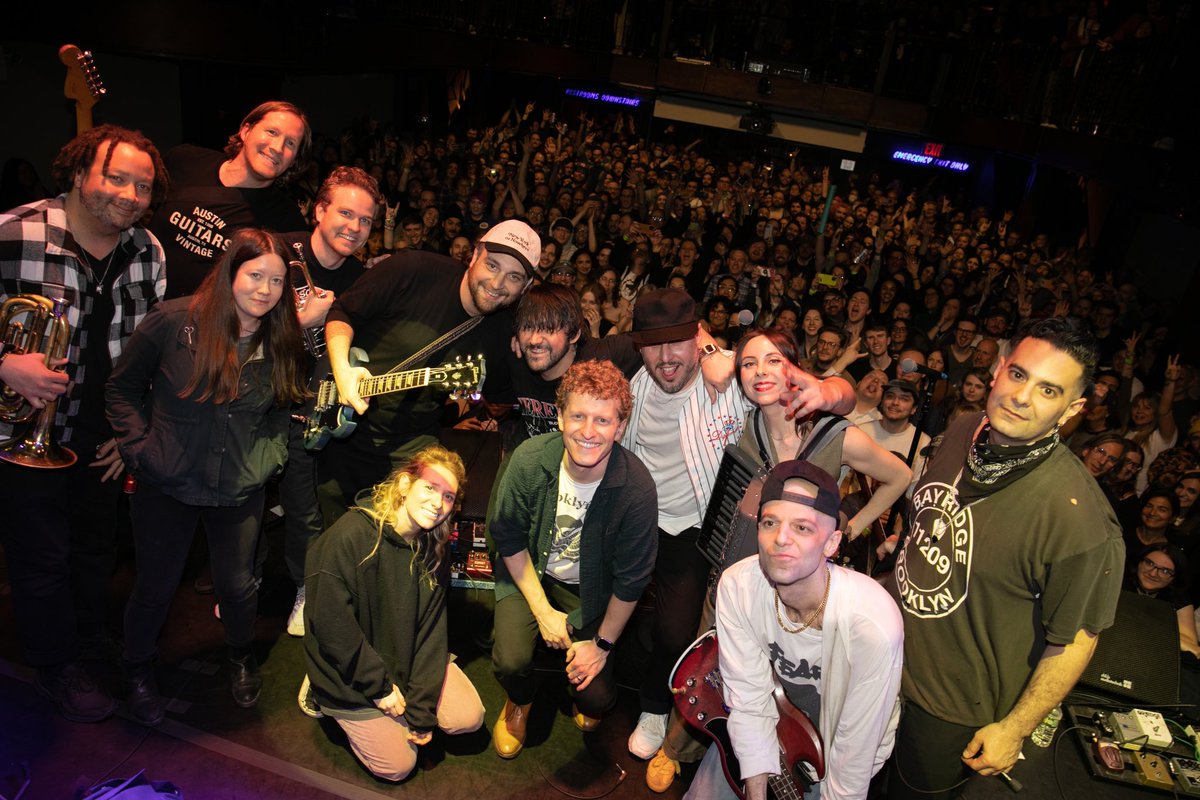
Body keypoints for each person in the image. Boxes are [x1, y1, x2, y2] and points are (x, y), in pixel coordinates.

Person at [649, 329, 910, 792]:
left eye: (773, 361)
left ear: (795, 368)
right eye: (749, 364)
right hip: (737, 578)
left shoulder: (834, 435)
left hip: (794, 587)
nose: (760, 372)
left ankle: (769, 759)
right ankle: (679, 748)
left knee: (774, 686)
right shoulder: (747, 426)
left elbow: (899, 476)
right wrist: (709, 348)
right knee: (710, 669)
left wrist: (850, 526)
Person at [888, 317, 1124, 800]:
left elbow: (1076, 640)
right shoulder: (962, 428)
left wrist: (1015, 728)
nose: (1021, 397)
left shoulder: (1081, 523)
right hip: (882, 659)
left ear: (1072, 409)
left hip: (948, 711)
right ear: (997, 369)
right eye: (1018, 375)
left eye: (1048, 390)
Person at [622, 288, 855, 763]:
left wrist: (829, 390)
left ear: (698, 339)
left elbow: (838, 395)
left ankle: (654, 708)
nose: (666, 359)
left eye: (677, 344)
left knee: (675, 631)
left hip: (695, 529)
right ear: (638, 348)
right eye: (653, 346)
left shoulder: (735, 375)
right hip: (641, 518)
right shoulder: (634, 387)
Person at [0, 124, 167, 723]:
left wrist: (134, 431)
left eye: (142, 186)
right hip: (22, 433)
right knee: (41, 556)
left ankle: (89, 640)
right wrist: (5, 363)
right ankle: (54, 663)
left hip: (103, 433)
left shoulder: (148, 251)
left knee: (95, 550)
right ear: (78, 173)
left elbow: (152, 355)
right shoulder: (14, 229)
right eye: (115, 177)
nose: (128, 193)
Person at [107, 228, 307, 723]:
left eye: (277, 281)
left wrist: (269, 458)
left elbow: (283, 412)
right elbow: (121, 389)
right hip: (166, 483)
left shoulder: (283, 339)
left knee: (238, 587)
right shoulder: (172, 322)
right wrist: (140, 451)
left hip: (239, 486)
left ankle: (239, 657)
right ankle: (136, 669)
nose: (264, 289)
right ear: (229, 273)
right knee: (155, 586)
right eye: (254, 275)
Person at [683, 460, 904, 800]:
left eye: (802, 528)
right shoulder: (738, 586)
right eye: (770, 522)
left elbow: (853, 756)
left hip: (835, 759)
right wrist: (755, 790)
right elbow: (748, 698)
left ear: (831, 544)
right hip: (770, 726)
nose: (781, 539)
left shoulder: (871, 625)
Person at [317, 218, 540, 525]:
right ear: (474, 256)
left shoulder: (504, 332)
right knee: (329, 543)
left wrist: (529, 353)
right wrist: (342, 369)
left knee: (404, 544)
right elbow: (344, 312)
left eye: (514, 277)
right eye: (492, 265)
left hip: (411, 447)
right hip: (340, 430)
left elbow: (504, 399)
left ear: (526, 287)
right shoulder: (413, 269)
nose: (498, 283)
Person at [489, 360, 658, 758]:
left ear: (620, 428)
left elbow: (632, 581)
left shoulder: (636, 488)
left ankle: (589, 685)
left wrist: (599, 645)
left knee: (597, 696)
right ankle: (520, 699)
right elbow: (509, 539)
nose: (587, 431)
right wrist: (543, 611)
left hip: (593, 591)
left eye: (602, 420)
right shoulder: (530, 460)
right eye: (578, 415)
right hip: (531, 573)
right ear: (560, 417)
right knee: (509, 661)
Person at [299, 445, 485, 781]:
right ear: (403, 484)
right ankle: (319, 690)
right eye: (430, 487)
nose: (437, 503)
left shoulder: (434, 550)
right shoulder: (351, 535)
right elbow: (331, 626)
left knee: (467, 718)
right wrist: (380, 688)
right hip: (350, 668)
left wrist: (422, 709)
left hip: (403, 653)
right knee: (399, 766)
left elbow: (430, 633)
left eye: (447, 496)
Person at [278, 166, 382, 637]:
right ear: (318, 210)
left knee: (306, 508)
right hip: (257, 403)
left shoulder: (362, 277)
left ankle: (305, 588)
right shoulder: (278, 250)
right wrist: (301, 321)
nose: (354, 228)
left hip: (311, 411)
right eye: (345, 213)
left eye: (364, 220)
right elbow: (232, 321)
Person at [151, 100, 311, 298]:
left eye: (290, 143)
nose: (278, 147)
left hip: (200, 324)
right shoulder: (183, 160)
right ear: (246, 130)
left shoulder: (286, 221)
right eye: (272, 132)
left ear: (293, 160)